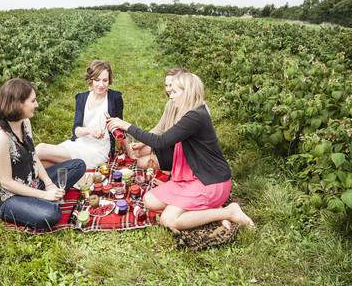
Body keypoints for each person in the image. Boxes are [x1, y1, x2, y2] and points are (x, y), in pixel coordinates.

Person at [106, 72, 255, 231]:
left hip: (210, 182)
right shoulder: (192, 112)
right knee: (149, 200)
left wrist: (125, 125)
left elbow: (160, 142)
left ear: (187, 92)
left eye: (175, 92)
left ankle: (228, 212)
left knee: (169, 220)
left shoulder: (196, 116)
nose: (171, 96)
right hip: (191, 179)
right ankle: (211, 212)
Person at [0, 78, 86, 229]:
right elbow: (6, 182)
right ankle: (41, 202)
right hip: (9, 197)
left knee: (78, 165)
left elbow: (33, 156)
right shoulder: (0, 137)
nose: (36, 105)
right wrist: (45, 195)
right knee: (52, 214)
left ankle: (40, 199)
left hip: (31, 183)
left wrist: (49, 184)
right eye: (33, 101)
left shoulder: (24, 122)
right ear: (18, 103)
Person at [36, 60, 124, 169]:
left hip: (98, 150)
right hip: (79, 143)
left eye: (105, 80)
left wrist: (130, 151)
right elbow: (76, 130)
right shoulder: (82, 98)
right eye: (97, 80)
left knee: (40, 149)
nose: (101, 85)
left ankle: (17, 174)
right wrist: (90, 130)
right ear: (90, 80)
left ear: (109, 80)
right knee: (43, 163)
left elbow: (121, 128)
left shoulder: (114, 98)